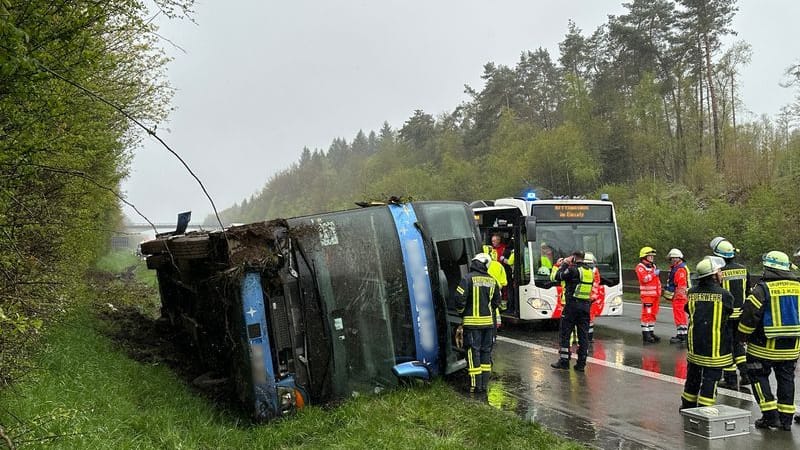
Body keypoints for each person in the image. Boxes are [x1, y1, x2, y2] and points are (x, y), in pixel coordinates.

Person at [737, 250, 800, 431]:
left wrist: (742, 337)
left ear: (768, 268)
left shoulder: (762, 289)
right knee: (786, 380)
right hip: (791, 348)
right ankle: (786, 420)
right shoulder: (798, 287)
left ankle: (770, 417)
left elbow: (749, 317)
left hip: (762, 347)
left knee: (758, 377)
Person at [680, 256, 733, 410]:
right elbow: (729, 313)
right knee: (710, 380)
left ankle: (687, 406)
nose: (721, 273)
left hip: (695, 346)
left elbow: (688, 310)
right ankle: (704, 410)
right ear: (713, 275)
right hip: (715, 348)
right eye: (719, 271)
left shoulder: (692, 292)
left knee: (692, 379)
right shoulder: (724, 295)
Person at [455, 253, 502, 395]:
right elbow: (496, 303)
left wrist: (462, 313)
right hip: (488, 325)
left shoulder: (467, 279)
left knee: (472, 353)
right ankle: (483, 386)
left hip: (471, 325)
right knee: (486, 354)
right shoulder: (492, 280)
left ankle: (475, 387)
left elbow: (459, 300)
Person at [710, 237, 752, 389]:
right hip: (741, 314)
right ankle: (745, 374)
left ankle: (730, 379)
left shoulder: (718, 272)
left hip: (725, 315)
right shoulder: (743, 269)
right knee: (738, 344)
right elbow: (748, 291)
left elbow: (715, 292)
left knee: (727, 346)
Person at [550, 251, 594, 372]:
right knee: (583, 336)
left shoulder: (573, 270)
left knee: (565, 333)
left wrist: (563, 264)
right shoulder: (589, 271)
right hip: (585, 306)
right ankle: (581, 364)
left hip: (572, 306)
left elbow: (556, 276)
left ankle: (564, 362)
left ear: (574, 258)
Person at [636, 246, 662, 344]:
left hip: (655, 295)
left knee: (653, 314)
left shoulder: (653, 266)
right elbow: (644, 279)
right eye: (649, 256)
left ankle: (651, 332)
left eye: (652, 256)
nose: (652, 258)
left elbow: (657, 281)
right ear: (644, 257)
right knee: (646, 314)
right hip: (647, 296)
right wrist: (653, 274)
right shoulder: (640, 267)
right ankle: (645, 334)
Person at [663, 249, 690, 344]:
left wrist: (675, 295)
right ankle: (681, 334)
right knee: (679, 315)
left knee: (680, 316)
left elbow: (681, 285)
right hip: (679, 296)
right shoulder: (677, 267)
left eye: (675, 258)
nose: (673, 260)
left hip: (680, 297)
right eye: (672, 258)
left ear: (679, 258)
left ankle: (682, 335)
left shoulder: (680, 269)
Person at [584, 252, 605, 342]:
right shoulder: (594, 270)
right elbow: (597, 284)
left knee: (586, 319)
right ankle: (589, 337)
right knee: (590, 319)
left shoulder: (582, 270)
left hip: (584, 298)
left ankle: (586, 337)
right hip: (591, 298)